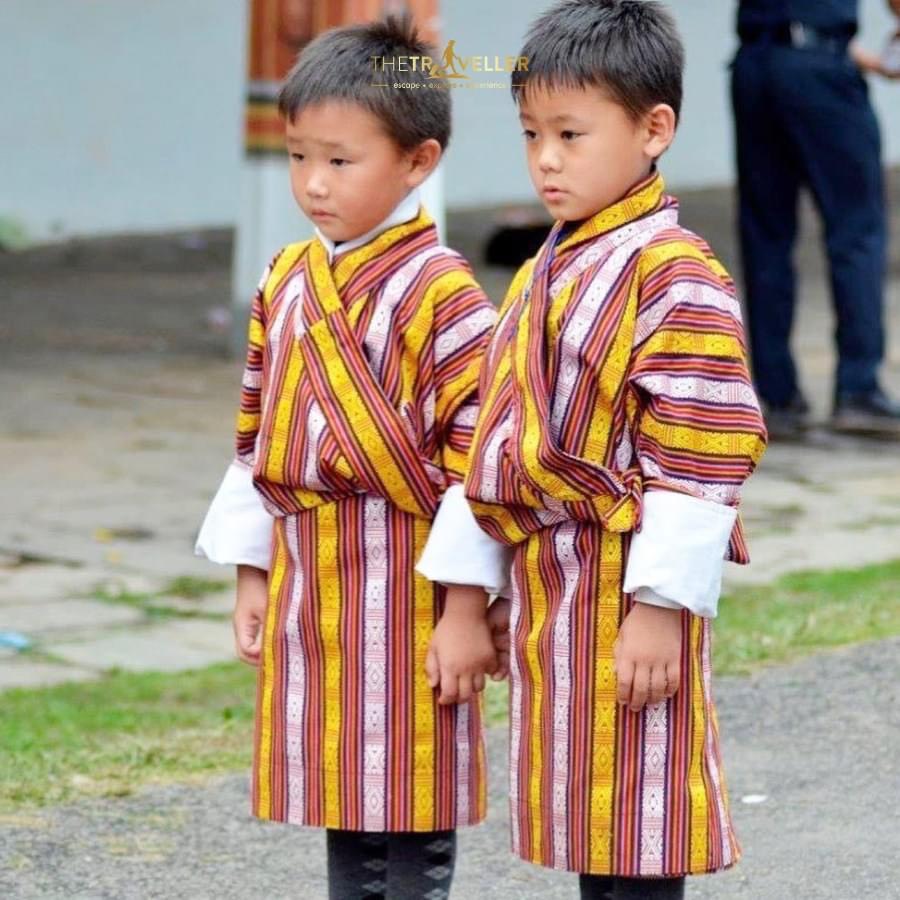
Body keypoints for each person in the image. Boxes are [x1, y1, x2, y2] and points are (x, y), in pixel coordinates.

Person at [417, 2, 768, 898]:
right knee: (585, 815)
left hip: (625, 575)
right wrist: (468, 595)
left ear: (654, 130)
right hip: (551, 580)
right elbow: (493, 441)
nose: (546, 159)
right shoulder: (543, 269)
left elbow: (701, 452)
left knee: (641, 812)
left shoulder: (676, 273)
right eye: (531, 133)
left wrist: (659, 607)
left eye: (571, 134)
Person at [195, 16, 506, 899]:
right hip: (316, 579)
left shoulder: (445, 294)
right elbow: (258, 437)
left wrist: (464, 611)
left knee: (410, 786)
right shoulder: (286, 279)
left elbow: (479, 467)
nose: (314, 183)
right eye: (299, 156)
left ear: (418, 160)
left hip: (410, 583)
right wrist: (253, 573)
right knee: (343, 783)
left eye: (340, 159)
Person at [732, 0, 900, 437]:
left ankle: (777, 397)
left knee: (766, 235)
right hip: (820, 68)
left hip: (755, 64)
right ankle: (858, 389)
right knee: (857, 230)